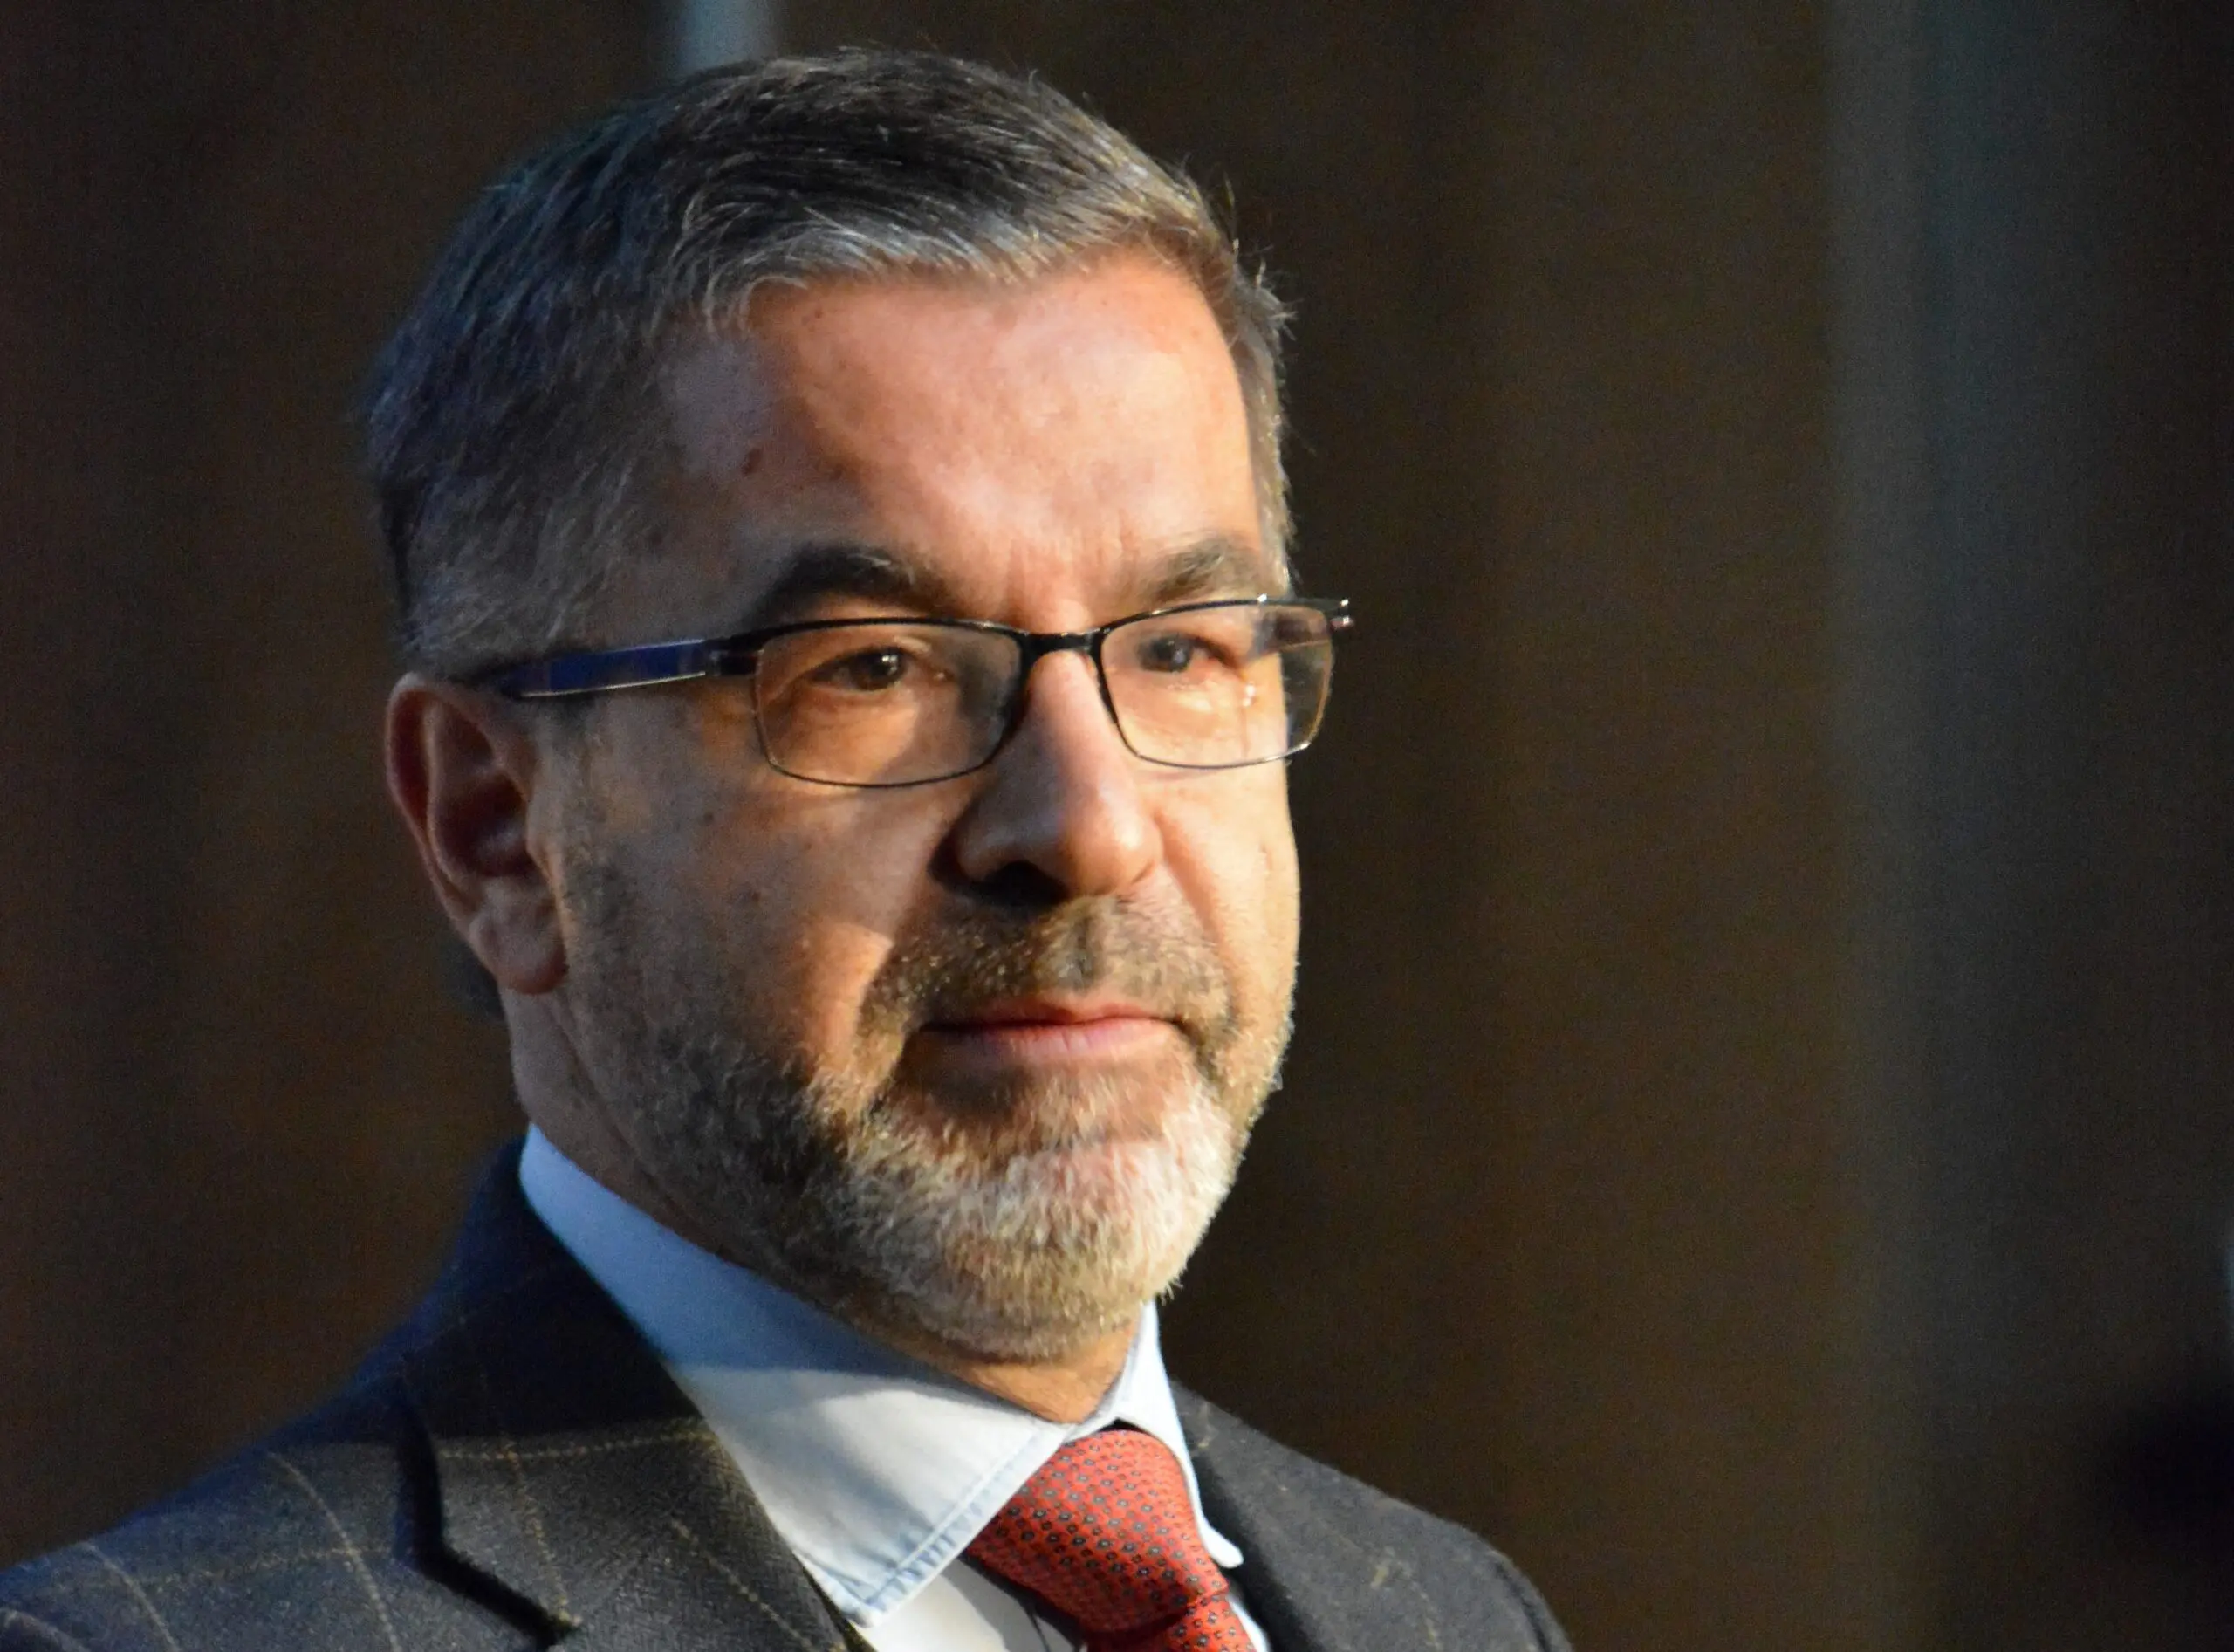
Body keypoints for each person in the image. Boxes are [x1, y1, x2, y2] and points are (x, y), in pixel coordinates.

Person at [0, 51, 1568, 1652]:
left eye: (1179, 649)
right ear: (496, 830)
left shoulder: (1449, 1616)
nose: (1090, 828)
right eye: (873, 668)